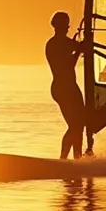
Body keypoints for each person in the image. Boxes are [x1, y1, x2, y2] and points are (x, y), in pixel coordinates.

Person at [46, 11, 86, 159]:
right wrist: (78, 51)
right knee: (75, 126)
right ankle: (63, 159)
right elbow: (68, 65)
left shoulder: (65, 42)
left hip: (70, 87)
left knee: (79, 125)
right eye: (65, 23)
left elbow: (79, 48)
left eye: (67, 23)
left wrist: (81, 48)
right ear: (57, 25)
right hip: (62, 88)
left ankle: (77, 157)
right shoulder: (55, 43)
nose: (67, 26)